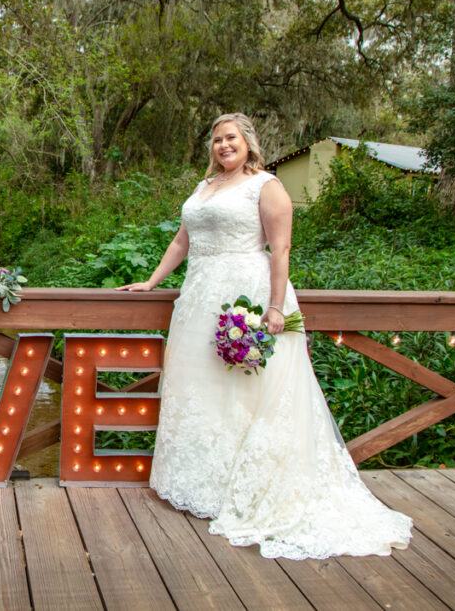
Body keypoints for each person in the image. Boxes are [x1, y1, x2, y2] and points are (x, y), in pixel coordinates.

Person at [117, 113, 412, 559]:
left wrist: (275, 306)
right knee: (202, 388)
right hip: (198, 299)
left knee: (246, 390)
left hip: (246, 295)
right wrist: (152, 282)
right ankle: (206, 486)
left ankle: (249, 489)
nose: (223, 145)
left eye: (230, 138)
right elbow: (182, 242)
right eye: (217, 139)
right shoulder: (204, 186)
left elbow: (281, 248)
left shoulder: (266, 185)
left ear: (248, 142)